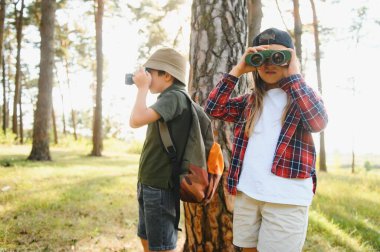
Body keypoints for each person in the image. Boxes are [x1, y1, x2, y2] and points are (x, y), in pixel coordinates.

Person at [204, 28, 328, 252]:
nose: (269, 63)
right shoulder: (250, 101)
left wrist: (295, 77)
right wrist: (238, 70)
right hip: (248, 194)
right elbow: (213, 108)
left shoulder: (302, 97)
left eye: (278, 57)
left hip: (286, 199)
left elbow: (318, 122)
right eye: (261, 57)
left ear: (291, 59)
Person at [129, 48, 191, 252]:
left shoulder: (175, 97)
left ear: (167, 75)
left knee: (161, 247)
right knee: (146, 237)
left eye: (150, 72)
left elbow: (136, 120)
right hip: (150, 181)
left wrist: (141, 89)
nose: (146, 77)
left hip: (160, 185)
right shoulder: (167, 97)